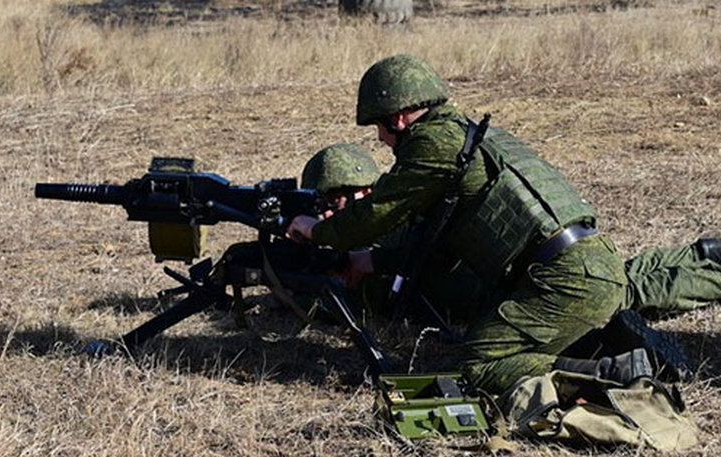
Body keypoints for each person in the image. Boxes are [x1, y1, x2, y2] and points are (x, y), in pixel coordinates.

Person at [288, 54, 672, 394]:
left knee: (478, 367)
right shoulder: (473, 141)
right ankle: (611, 342)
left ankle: (617, 371)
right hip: (589, 263)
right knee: (505, 342)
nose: (382, 140)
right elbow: (438, 249)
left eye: (380, 128)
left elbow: (374, 215)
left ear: (398, 117)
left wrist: (314, 230)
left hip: (562, 280)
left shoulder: (433, 146)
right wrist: (370, 263)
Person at [302, 143, 721, 320]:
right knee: (624, 276)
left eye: (359, 194)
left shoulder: (392, 228)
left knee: (625, 293)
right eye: (338, 200)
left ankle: (711, 270)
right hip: (502, 282)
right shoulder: (387, 226)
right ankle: (705, 253)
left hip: (508, 288)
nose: (351, 206)